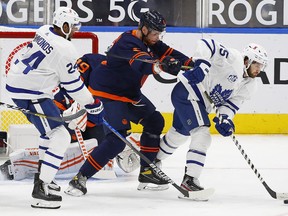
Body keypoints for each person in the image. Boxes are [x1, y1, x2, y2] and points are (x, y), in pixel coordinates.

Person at [64, 10, 194, 196]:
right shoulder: (128, 41)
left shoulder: (150, 41)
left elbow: (170, 53)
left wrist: (194, 65)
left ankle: (147, 172)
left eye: (160, 34)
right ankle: (79, 179)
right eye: (156, 33)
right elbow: (141, 63)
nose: (158, 37)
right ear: (144, 29)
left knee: (155, 121)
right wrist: (161, 66)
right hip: (108, 94)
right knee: (117, 141)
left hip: (129, 94)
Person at [5, 7, 104, 209]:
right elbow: (74, 86)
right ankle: (42, 189)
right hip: (31, 92)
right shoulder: (66, 49)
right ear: (65, 26)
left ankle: (43, 179)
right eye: (73, 26)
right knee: (61, 136)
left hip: (26, 85)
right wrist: (92, 104)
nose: (75, 30)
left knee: (48, 135)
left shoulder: (44, 30)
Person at [155, 39, 268, 200]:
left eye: (262, 66)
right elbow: (207, 43)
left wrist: (225, 120)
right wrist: (202, 63)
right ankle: (190, 180)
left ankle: (151, 163)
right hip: (189, 92)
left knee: (178, 135)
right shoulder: (234, 58)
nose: (259, 69)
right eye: (257, 64)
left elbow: (230, 106)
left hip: (199, 103)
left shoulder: (251, 85)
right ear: (247, 60)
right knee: (202, 133)